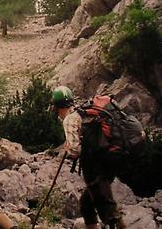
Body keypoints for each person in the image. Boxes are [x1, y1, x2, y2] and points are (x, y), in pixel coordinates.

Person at [51, 86, 126, 229]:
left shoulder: (70, 119)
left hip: (95, 167)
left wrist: (69, 149)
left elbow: (74, 151)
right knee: (86, 204)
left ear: (56, 107)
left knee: (108, 209)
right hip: (110, 160)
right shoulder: (85, 112)